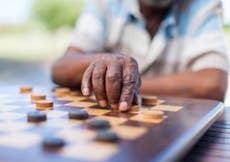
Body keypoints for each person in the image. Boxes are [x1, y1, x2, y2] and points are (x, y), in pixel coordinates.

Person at [52, 0, 229, 112]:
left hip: (171, 134)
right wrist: (104, 62)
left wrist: (125, 84)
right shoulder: (105, 4)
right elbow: (61, 67)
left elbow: (212, 85)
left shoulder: (203, 5)